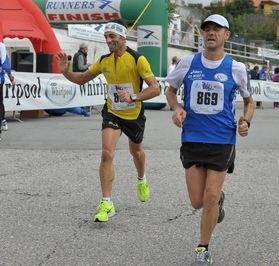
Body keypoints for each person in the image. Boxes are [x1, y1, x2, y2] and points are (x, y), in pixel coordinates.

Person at [164, 14, 254, 266]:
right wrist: (176, 108)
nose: (211, 33)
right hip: (192, 136)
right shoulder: (187, 62)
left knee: (210, 196)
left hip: (222, 138)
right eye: (207, 29)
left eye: (217, 29)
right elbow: (170, 91)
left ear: (227, 35)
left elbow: (249, 101)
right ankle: (218, 200)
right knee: (198, 201)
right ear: (202, 34)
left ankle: (202, 248)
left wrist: (246, 121)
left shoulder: (236, 68)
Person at [55, 18, 160, 222]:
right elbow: (82, 78)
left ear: (122, 36)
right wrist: (66, 71)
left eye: (112, 36)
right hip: (112, 112)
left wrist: (134, 97)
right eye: (106, 37)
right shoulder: (103, 60)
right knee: (106, 153)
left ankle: (141, 179)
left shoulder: (138, 59)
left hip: (133, 114)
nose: (108, 40)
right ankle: (107, 202)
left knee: (136, 153)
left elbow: (155, 88)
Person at [0, 45, 16, 141]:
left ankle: (3, 119)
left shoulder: (1, 46)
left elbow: (5, 64)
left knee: (0, 103)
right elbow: (5, 64)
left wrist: (11, 79)